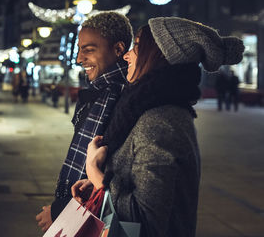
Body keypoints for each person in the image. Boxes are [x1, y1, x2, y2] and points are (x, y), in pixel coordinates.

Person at [72, 17, 244, 237]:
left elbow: (146, 221)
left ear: (158, 55)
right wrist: (97, 183)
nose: (127, 55)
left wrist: (98, 178)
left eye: (136, 46)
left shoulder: (161, 121)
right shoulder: (143, 107)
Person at [36, 12, 133, 231]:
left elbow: (106, 165)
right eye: (79, 49)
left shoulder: (119, 96)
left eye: (88, 50)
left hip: (93, 210)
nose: (80, 59)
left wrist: (61, 209)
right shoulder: (100, 92)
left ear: (118, 49)